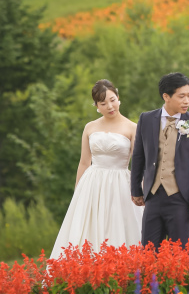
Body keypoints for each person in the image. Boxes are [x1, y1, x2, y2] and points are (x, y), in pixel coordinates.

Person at [50, 79, 143, 258]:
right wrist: (78, 192)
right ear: (97, 106)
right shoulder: (90, 127)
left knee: (119, 226)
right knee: (87, 227)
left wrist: (141, 188)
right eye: (103, 103)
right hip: (92, 184)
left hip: (120, 184)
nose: (110, 106)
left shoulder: (133, 128)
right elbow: (84, 162)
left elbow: (140, 164)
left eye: (113, 100)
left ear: (118, 98)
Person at [130, 71, 189, 249]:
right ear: (166, 96)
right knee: (149, 252)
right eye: (181, 96)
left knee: (179, 254)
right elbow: (138, 155)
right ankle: (150, 279)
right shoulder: (147, 119)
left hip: (181, 199)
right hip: (153, 196)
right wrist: (136, 189)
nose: (187, 101)